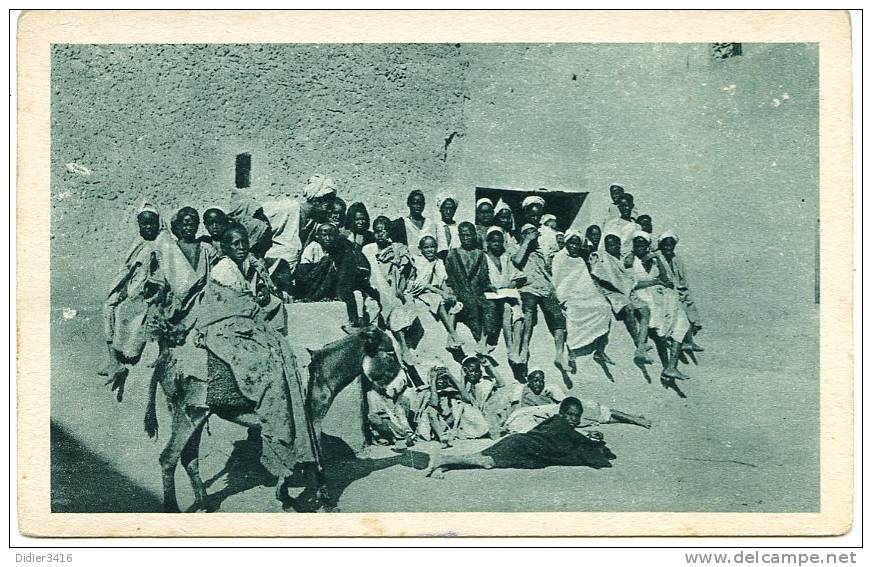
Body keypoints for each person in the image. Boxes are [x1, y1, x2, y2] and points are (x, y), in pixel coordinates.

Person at [197, 223, 318, 504]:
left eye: (243, 242)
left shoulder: (251, 266)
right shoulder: (223, 269)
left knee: (283, 353)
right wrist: (253, 304)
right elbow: (225, 305)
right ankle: (272, 423)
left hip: (247, 323)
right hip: (225, 328)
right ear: (224, 247)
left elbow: (258, 297)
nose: (240, 247)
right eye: (234, 243)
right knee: (265, 367)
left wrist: (261, 299)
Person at [424, 397, 617, 478]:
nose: (574, 419)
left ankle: (444, 466)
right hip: (519, 446)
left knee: (482, 457)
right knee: (486, 461)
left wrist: (589, 437)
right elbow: (580, 441)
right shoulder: (561, 423)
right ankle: (442, 459)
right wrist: (595, 443)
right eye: (570, 415)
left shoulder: (559, 423)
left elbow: (574, 436)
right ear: (562, 413)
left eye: (577, 416)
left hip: (519, 443)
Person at [100, 201, 170, 391]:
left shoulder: (163, 242)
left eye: (151, 223)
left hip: (151, 291)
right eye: (144, 223)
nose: (148, 227)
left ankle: (129, 356)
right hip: (133, 285)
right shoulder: (139, 242)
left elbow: (164, 272)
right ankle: (113, 360)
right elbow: (129, 268)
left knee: (128, 312)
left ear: (159, 222)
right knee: (108, 306)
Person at [628, 232, 692, 381]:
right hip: (643, 295)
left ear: (648, 246)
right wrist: (655, 282)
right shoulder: (631, 260)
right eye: (637, 245)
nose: (640, 248)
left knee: (681, 322)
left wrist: (657, 259)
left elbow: (664, 278)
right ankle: (667, 367)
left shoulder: (654, 259)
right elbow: (633, 284)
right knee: (661, 330)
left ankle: (671, 366)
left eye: (643, 245)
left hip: (659, 295)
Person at [504, 371, 651, 434]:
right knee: (598, 419)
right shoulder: (521, 390)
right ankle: (629, 420)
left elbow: (563, 402)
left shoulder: (549, 388)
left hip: (559, 410)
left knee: (596, 411)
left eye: (540, 380)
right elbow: (517, 410)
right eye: (534, 380)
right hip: (539, 416)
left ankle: (634, 419)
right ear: (528, 380)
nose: (538, 383)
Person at [512, 223, 569, 384]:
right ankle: (524, 349)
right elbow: (517, 260)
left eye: (533, 233)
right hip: (528, 287)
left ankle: (559, 354)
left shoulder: (541, 251)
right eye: (527, 233)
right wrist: (527, 241)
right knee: (528, 312)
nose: (532, 236)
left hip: (545, 288)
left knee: (558, 316)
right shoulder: (518, 248)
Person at [552, 230, 613, 371]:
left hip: (583, 294)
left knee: (604, 307)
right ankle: (571, 351)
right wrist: (563, 297)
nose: (574, 246)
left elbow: (585, 281)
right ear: (566, 243)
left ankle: (600, 349)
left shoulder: (580, 260)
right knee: (574, 311)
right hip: (567, 295)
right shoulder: (559, 257)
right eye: (571, 243)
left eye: (577, 244)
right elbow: (558, 281)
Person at [591, 233, 652, 365]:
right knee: (629, 308)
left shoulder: (624, 258)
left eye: (614, 244)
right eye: (609, 245)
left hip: (627, 291)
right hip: (612, 292)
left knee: (645, 309)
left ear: (619, 245)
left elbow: (630, 278)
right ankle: (638, 344)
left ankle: (642, 344)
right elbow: (597, 273)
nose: (612, 247)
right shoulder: (602, 257)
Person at [444, 222, 499, 357]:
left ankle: (484, 341)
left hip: (477, 292)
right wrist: (450, 290)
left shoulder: (480, 254)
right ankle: (478, 338)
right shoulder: (453, 254)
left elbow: (484, 278)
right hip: (459, 291)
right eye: (462, 235)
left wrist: (490, 287)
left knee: (490, 306)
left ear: (474, 235)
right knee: (471, 304)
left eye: (468, 235)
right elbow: (448, 277)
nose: (466, 238)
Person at [408, 235, 464, 353]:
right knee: (438, 299)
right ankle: (453, 334)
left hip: (431, 288)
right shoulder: (418, 260)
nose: (430, 250)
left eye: (433, 247)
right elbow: (421, 283)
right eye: (426, 247)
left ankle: (450, 339)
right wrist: (441, 293)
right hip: (418, 289)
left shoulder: (437, 261)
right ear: (421, 249)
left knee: (453, 300)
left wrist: (447, 292)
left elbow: (441, 279)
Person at [656, 231, 704, 352]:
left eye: (671, 245)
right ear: (661, 245)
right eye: (666, 245)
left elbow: (683, 280)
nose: (668, 247)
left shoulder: (676, 259)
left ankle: (689, 340)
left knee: (688, 304)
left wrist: (683, 292)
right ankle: (683, 340)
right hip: (662, 289)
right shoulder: (657, 257)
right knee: (678, 308)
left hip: (677, 289)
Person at [483, 227, 524, 366]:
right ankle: (510, 349)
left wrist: (511, 284)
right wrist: (490, 286)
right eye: (493, 241)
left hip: (507, 293)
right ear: (488, 242)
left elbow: (516, 276)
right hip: (492, 295)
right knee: (507, 309)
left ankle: (515, 350)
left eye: (499, 241)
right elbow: (482, 279)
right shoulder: (483, 258)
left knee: (518, 315)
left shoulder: (506, 257)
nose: (497, 244)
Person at [293, 222, 348, 301]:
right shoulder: (313, 247)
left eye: (331, 235)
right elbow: (303, 274)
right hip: (311, 285)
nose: (328, 239)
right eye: (324, 235)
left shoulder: (337, 248)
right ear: (317, 236)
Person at [432, 192, 460, 259]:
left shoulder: (458, 228)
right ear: (441, 209)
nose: (448, 212)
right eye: (446, 208)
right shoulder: (435, 227)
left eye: (451, 209)